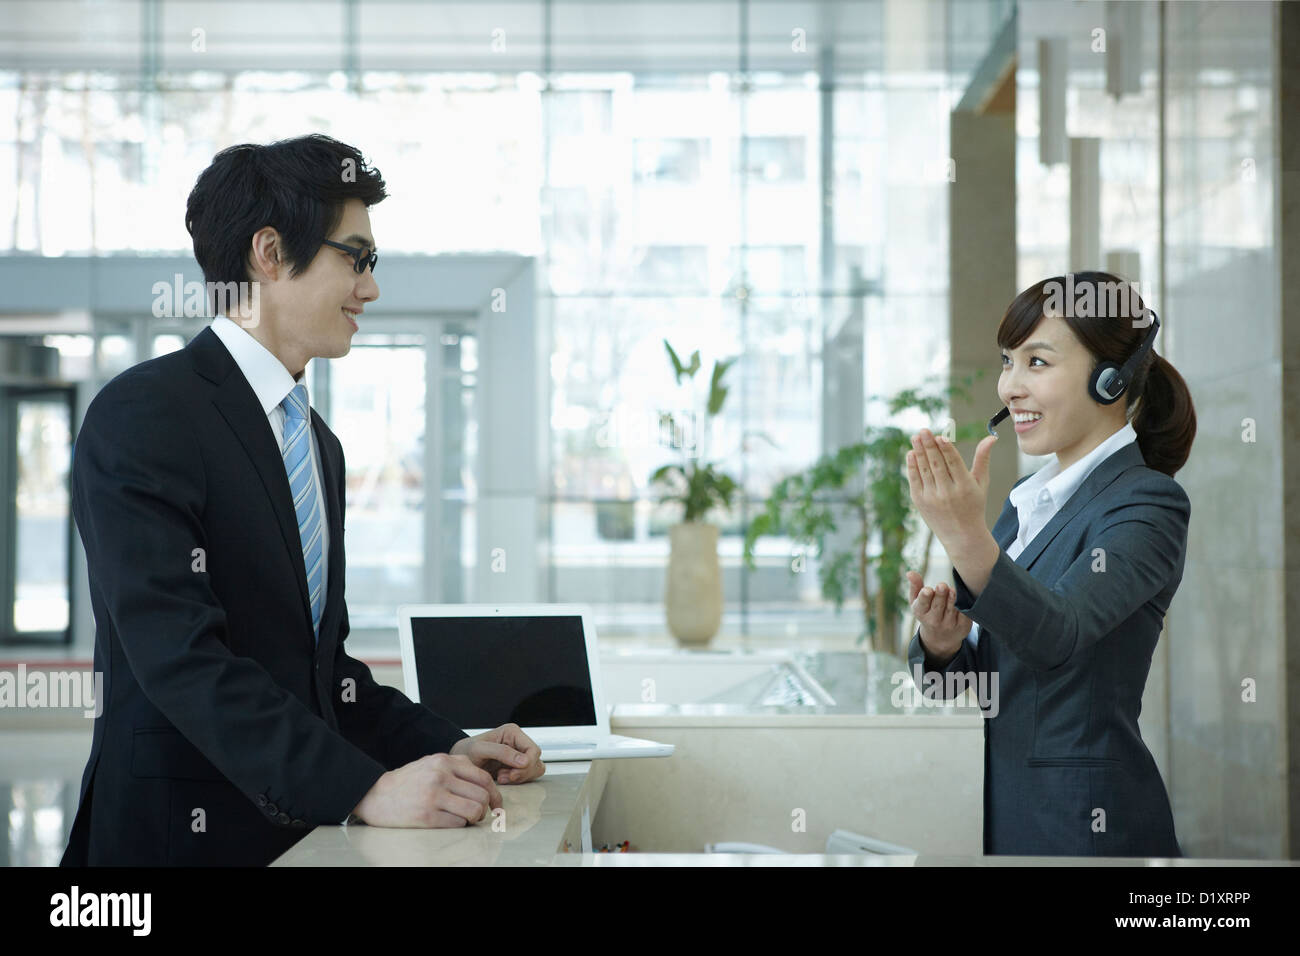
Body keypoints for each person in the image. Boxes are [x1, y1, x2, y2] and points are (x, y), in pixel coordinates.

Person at [61, 134, 544, 867]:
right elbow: (184, 660)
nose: (371, 288)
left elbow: (326, 675)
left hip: (304, 843)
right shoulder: (144, 415)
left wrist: (450, 744)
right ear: (269, 253)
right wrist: (365, 789)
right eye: (357, 257)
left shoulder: (316, 441)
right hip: (175, 842)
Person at [903, 271, 1196, 857]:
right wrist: (940, 644)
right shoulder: (1025, 500)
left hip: (1081, 824)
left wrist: (965, 536)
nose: (1009, 386)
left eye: (1037, 362)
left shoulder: (1147, 503)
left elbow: (1059, 633)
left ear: (1111, 381)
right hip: (999, 812)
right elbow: (966, 684)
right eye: (1008, 361)